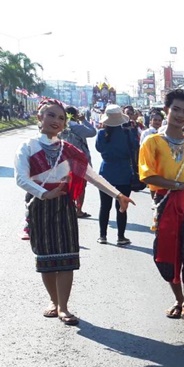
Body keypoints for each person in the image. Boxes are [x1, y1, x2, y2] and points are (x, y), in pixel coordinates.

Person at [15, 98, 133, 326]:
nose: (56, 121)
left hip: (64, 207)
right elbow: (21, 178)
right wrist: (44, 193)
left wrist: (117, 194)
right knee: (46, 258)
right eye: (51, 115)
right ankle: (53, 301)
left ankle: (64, 307)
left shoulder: (68, 150)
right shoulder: (27, 146)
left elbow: (92, 175)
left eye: (61, 117)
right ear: (39, 117)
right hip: (39, 206)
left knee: (67, 256)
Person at [139, 88, 184, 326]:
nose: (180, 115)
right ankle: (178, 300)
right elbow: (146, 175)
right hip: (165, 204)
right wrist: (178, 185)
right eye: (176, 109)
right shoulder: (152, 142)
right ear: (166, 110)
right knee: (167, 254)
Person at [96, 104, 139, 246]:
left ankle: (102, 236)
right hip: (124, 173)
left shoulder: (101, 134)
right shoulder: (127, 133)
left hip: (106, 172)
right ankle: (121, 237)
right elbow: (134, 148)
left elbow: (98, 148)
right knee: (122, 206)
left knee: (104, 206)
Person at [61, 106, 97, 219]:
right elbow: (93, 132)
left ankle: (66, 208)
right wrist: (84, 120)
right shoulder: (78, 127)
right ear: (75, 115)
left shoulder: (60, 127)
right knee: (81, 185)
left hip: (64, 161)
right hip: (80, 160)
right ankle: (79, 210)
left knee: (66, 185)